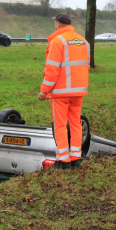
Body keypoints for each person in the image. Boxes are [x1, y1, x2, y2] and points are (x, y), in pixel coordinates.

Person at [38, 12, 90, 170]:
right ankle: (76, 158)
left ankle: (64, 160)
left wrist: (44, 90)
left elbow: (52, 69)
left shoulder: (57, 41)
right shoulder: (84, 42)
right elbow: (85, 65)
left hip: (60, 92)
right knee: (75, 124)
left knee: (60, 125)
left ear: (58, 24)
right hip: (78, 91)